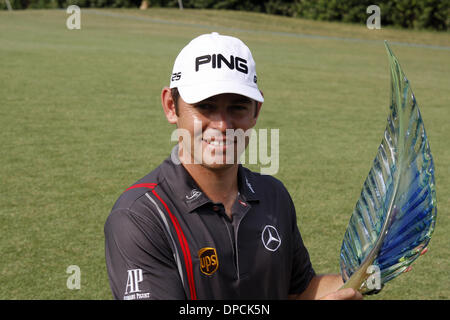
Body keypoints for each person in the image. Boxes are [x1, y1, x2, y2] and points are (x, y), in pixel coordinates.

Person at [104, 32, 362, 300]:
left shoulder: (273, 195)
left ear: (256, 111)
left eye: (238, 107)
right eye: (205, 106)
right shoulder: (139, 216)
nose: (223, 126)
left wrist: (366, 273)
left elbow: (298, 292)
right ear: (171, 106)